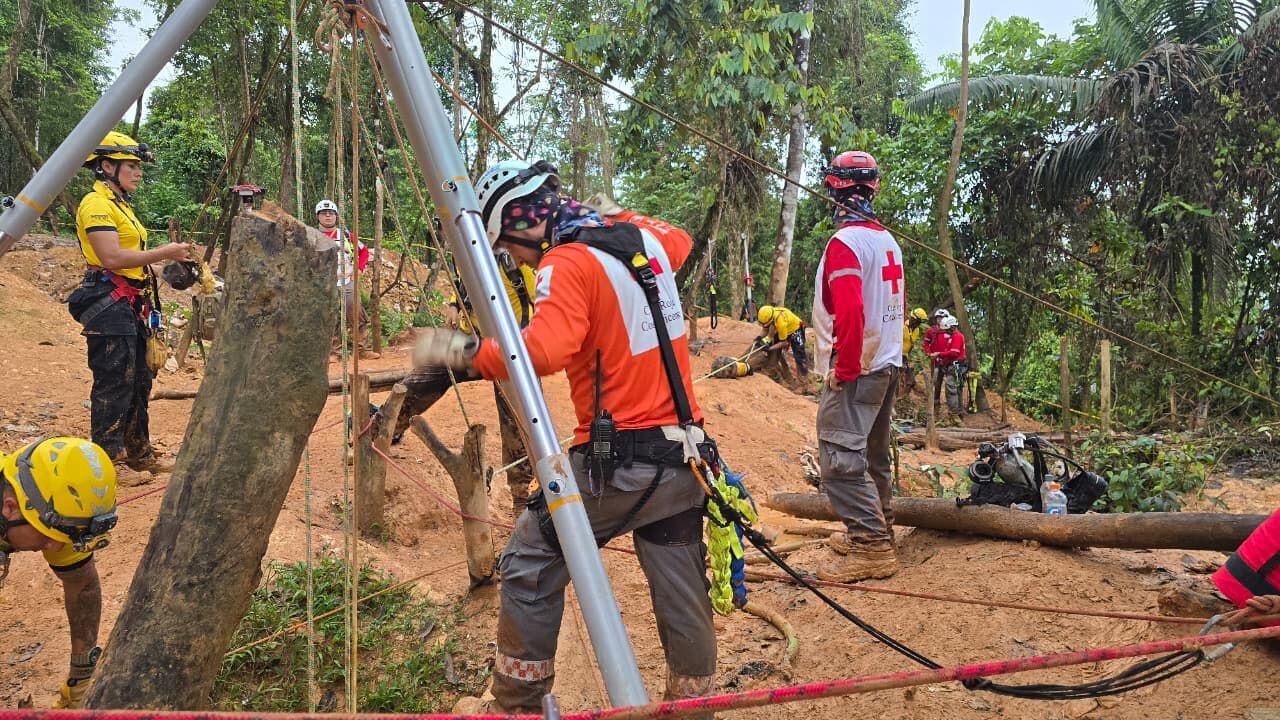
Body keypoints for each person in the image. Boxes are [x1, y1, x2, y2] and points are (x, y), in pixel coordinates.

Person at [415, 159, 716, 713]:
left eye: (511, 248)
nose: (519, 261)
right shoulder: (644, 241)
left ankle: (517, 703)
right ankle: (694, 704)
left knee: (530, 554)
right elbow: (681, 239)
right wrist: (615, 213)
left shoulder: (568, 260)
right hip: (685, 456)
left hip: (620, 463)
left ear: (525, 222)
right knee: (679, 577)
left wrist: (466, 351)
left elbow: (545, 350)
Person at [66, 132, 190, 473]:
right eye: (131, 166)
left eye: (138, 166)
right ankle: (110, 462)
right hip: (108, 300)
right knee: (115, 379)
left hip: (131, 299)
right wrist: (165, 251)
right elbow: (111, 257)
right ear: (107, 166)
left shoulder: (121, 206)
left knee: (139, 380)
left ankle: (138, 452)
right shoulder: (96, 205)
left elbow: (132, 259)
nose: (138, 172)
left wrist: (167, 269)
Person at [810, 149, 905, 582]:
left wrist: (845, 368)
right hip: (886, 362)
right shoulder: (886, 240)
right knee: (872, 455)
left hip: (859, 366)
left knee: (840, 461)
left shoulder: (845, 244)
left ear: (834, 190)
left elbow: (850, 312)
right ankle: (880, 528)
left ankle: (871, 546)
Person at [1, 437, 118, 707]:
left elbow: (82, 584)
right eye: (49, 536)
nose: (56, 547)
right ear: (10, 507)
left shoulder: (49, 513)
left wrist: (82, 675)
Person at [315, 199, 368, 342]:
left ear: (336, 216)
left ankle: (362, 345)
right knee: (328, 317)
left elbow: (364, 252)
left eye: (331, 213)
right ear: (317, 216)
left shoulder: (346, 235)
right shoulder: (312, 236)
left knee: (354, 309)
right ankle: (334, 349)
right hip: (323, 283)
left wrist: (358, 270)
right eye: (324, 213)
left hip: (346, 280)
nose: (328, 216)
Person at [929, 315, 968, 417]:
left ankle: (954, 413)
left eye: (947, 329)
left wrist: (939, 354)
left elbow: (954, 353)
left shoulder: (957, 336)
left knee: (951, 387)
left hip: (957, 365)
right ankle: (959, 411)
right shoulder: (952, 337)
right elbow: (949, 352)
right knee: (957, 388)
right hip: (954, 365)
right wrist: (942, 361)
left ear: (952, 327)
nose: (946, 332)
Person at [756, 305, 809, 377]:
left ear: (770, 320)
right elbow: (765, 329)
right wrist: (759, 338)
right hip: (785, 327)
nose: (763, 325)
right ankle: (777, 366)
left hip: (796, 330)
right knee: (774, 345)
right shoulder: (770, 313)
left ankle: (803, 376)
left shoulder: (781, 323)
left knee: (799, 355)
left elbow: (784, 343)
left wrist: (769, 348)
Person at [900, 307, 927, 394]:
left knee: (910, 378)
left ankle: (903, 395)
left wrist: (908, 356)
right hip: (896, 355)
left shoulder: (916, 330)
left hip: (905, 356)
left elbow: (911, 344)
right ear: (913, 319)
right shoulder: (902, 326)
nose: (919, 325)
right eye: (918, 322)